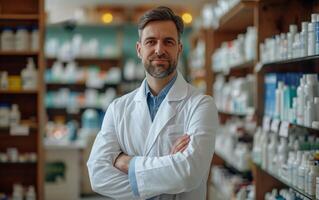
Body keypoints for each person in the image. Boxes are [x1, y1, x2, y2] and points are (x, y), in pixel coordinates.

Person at [87, 6, 219, 200]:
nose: (159, 50)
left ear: (179, 49)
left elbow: (190, 172)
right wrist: (169, 167)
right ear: (139, 50)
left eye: (168, 42)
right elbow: (98, 176)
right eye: (151, 42)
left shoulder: (201, 105)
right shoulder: (118, 109)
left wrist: (126, 163)